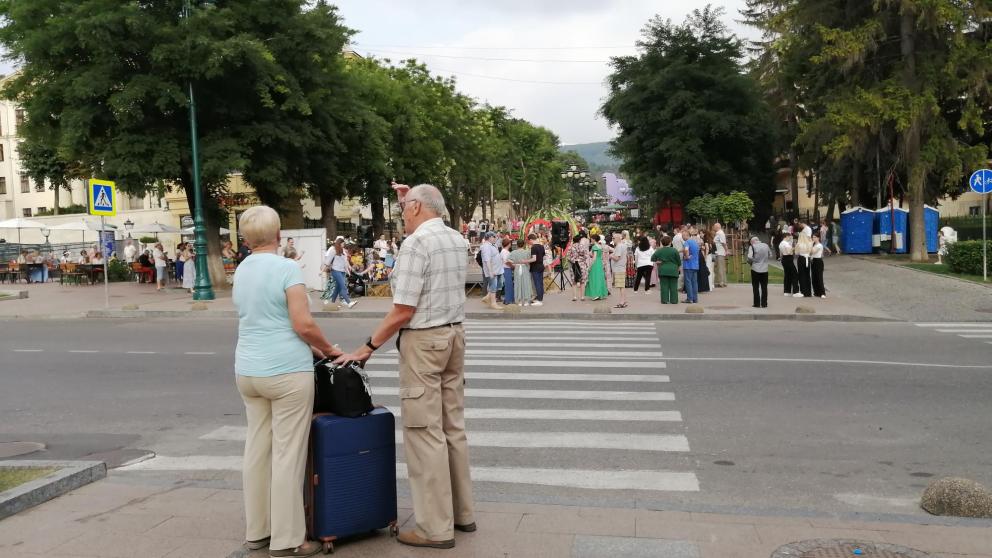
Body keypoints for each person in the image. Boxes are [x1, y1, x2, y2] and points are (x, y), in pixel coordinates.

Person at [333, 184, 475, 550]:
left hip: (423, 341)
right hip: (453, 335)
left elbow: (403, 309)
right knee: (452, 427)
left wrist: (367, 347)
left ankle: (433, 528)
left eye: (404, 210)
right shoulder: (456, 239)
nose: (401, 216)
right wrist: (409, 198)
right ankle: (461, 514)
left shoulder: (415, 245)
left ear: (414, 209)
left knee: (424, 432)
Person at [232, 205, 342, 558]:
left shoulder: (241, 270)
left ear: (246, 239)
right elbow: (303, 325)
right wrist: (328, 350)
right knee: (286, 456)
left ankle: (257, 532)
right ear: (278, 235)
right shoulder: (287, 268)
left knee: (257, 450)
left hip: (247, 370)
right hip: (286, 371)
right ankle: (288, 540)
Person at [322, 238, 357, 309]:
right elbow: (328, 261)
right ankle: (349, 302)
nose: (344, 245)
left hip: (342, 271)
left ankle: (332, 303)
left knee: (337, 288)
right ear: (339, 243)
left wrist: (348, 269)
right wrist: (322, 270)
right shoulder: (333, 250)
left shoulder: (343, 251)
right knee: (343, 286)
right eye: (343, 243)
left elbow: (345, 262)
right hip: (335, 271)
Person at [652, 236, 681, 304]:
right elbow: (679, 262)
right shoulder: (674, 250)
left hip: (663, 269)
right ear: (670, 242)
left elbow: (652, 258)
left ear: (662, 243)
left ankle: (664, 300)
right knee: (673, 286)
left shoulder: (659, 250)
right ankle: (674, 300)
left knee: (664, 286)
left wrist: (658, 261)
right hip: (673, 270)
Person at [479, 232, 502, 310]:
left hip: (497, 269)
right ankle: (493, 303)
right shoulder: (486, 247)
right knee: (493, 286)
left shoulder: (493, 245)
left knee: (497, 285)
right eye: (494, 237)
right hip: (492, 269)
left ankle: (487, 298)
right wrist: (490, 271)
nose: (495, 238)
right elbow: (487, 260)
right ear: (489, 238)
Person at [747, 236, 771, 308]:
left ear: (752, 241)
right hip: (765, 269)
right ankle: (764, 303)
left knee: (755, 287)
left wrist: (753, 261)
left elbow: (750, 257)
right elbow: (770, 255)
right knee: (764, 287)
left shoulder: (752, 247)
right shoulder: (766, 245)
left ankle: (756, 303)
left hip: (755, 269)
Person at [509, 239, 534, 305]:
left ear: (517, 245)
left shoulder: (513, 252)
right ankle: (526, 300)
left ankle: (518, 300)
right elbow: (530, 261)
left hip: (517, 268)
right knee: (526, 283)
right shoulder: (527, 252)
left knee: (518, 283)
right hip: (525, 268)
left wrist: (514, 264)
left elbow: (507, 260)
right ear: (524, 245)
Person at [583, 234, 608, 300]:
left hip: (595, 263)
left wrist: (590, 266)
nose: (591, 239)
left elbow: (594, 258)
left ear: (594, 239)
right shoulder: (600, 246)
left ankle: (596, 294)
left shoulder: (594, 247)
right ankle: (601, 293)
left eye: (591, 238)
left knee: (594, 278)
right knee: (600, 278)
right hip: (599, 263)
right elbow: (601, 256)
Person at [566, 235, 590, 302]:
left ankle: (574, 296)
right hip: (582, 265)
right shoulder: (582, 246)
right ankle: (582, 297)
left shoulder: (570, 247)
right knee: (582, 281)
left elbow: (567, 256)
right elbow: (586, 255)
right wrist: (581, 259)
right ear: (579, 240)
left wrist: (573, 260)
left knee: (574, 281)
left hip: (574, 265)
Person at [609, 232, 628, 308]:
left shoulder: (619, 246)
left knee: (621, 286)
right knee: (621, 286)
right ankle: (624, 301)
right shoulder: (622, 245)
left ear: (617, 238)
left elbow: (617, 258)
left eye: (613, 238)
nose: (612, 239)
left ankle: (622, 302)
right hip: (621, 267)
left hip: (619, 268)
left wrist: (611, 256)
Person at [682, 229, 700, 304]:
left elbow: (686, 250)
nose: (682, 237)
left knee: (688, 282)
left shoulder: (687, 242)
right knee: (694, 282)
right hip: (695, 265)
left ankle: (689, 298)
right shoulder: (695, 242)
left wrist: (686, 256)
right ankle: (695, 298)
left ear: (687, 235)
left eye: (683, 236)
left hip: (688, 265)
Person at [528, 233, 546, 306]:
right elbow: (543, 256)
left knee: (537, 283)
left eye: (529, 241)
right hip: (541, 266)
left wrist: (525, 261)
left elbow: (534, 259)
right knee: (540, 283)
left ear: (531, 240)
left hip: (535, 267)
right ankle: (540, 298)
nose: (529, 242)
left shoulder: (533, 247)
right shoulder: (541, 246)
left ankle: (539, 300)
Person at [795, 233, 813, 298]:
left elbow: (796, 253)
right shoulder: (809, 243)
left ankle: (803, 291)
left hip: (801, 258)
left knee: (801, 275)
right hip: (808, 258)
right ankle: (809, 292)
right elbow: (811, 252)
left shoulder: (799, 244)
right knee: (807, 275)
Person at [500, 238, 515, 305]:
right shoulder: (504, 252)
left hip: (507, 269)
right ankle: (508, 300)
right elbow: (506, 262)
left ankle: (508, 299)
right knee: (508, 285)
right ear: (508, 244)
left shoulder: (505, 251)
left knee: (509, 285)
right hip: (506, 269)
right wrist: (512, 266)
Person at [712, 223, 728, 288]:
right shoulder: (718, 233)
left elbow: (723, 243)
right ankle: (721, 282)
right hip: (718, 253)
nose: (713, 228)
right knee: (719, 268)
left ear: (717, 227)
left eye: (714, 226)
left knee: (720, 268)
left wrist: (726, 250)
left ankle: (721, 282)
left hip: (720, 253)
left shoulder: (720, 233)